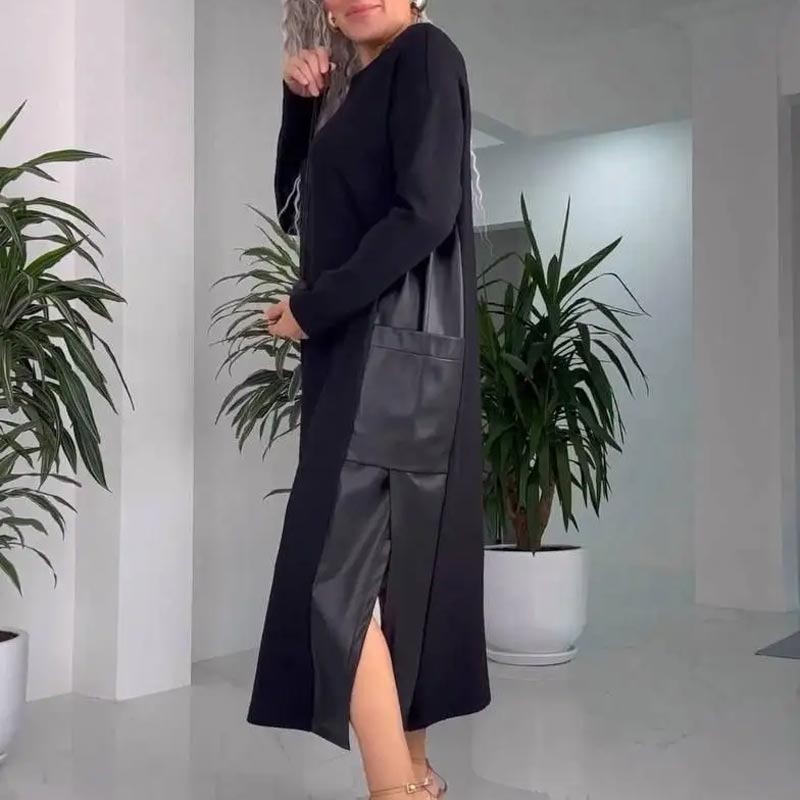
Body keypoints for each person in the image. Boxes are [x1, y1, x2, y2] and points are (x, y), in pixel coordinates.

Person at [247, 2, 491, 797]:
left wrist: (313, 308)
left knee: (331, 580)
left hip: (386, 358)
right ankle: (414, 774)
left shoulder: (425, 53)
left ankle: (395, 790)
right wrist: (301, 107)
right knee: (393, 580)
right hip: (367, 356)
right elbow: (297, 212)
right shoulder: (352, 89)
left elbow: (427, 213)